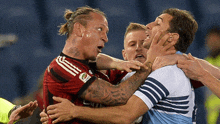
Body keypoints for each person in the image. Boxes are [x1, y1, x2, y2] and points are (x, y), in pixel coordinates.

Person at [43, 8, 198, 124]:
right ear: (79, 29)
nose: (106, 38)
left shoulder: (168, 72)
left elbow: (126, 113)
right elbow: (119, 97)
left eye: (157, 23)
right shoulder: (61, 67)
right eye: (100, 29)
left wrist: (75, 111)